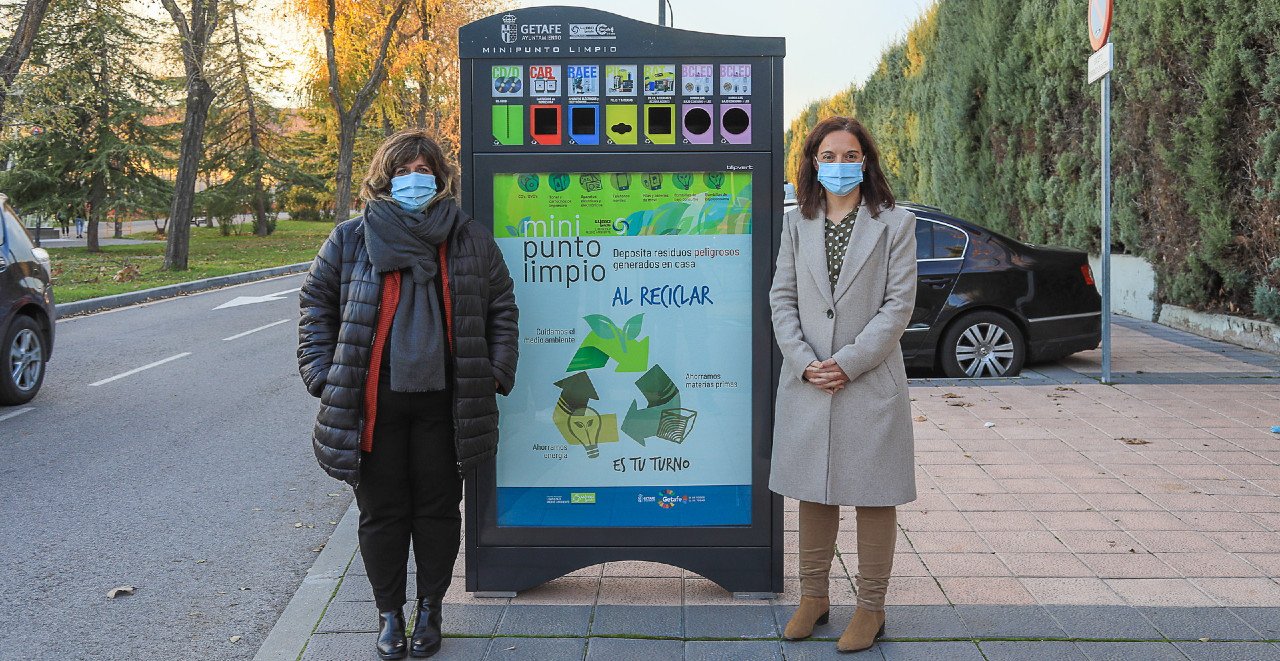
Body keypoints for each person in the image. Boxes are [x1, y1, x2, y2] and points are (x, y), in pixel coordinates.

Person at [297, 129, 519, 660]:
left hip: (448, 402)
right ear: (384, 178)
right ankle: (389, 613)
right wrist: (322, 375)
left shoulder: (469, 238)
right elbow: (316, 306)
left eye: (424, 171)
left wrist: (493, 372)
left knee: (439, 512)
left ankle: (431, 609)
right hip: (372, 402)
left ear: (440, 179)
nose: (413, 180)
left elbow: (501, 309)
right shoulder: (350, 238)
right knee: (382, 512)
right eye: (403, 171)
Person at [769, 116, 917, 653]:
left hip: (868, 380)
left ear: (866, 161)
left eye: (848, 155)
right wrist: (807, 361)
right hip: (808, 378)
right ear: (811, 163)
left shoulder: (894, 224)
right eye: (826, 156)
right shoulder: (796, 222)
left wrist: (846, 363)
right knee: (814, 489)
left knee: (874, 495)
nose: (838, 166)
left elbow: (897, 306)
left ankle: (871, 608)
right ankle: (814, 598)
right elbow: (781, 298)